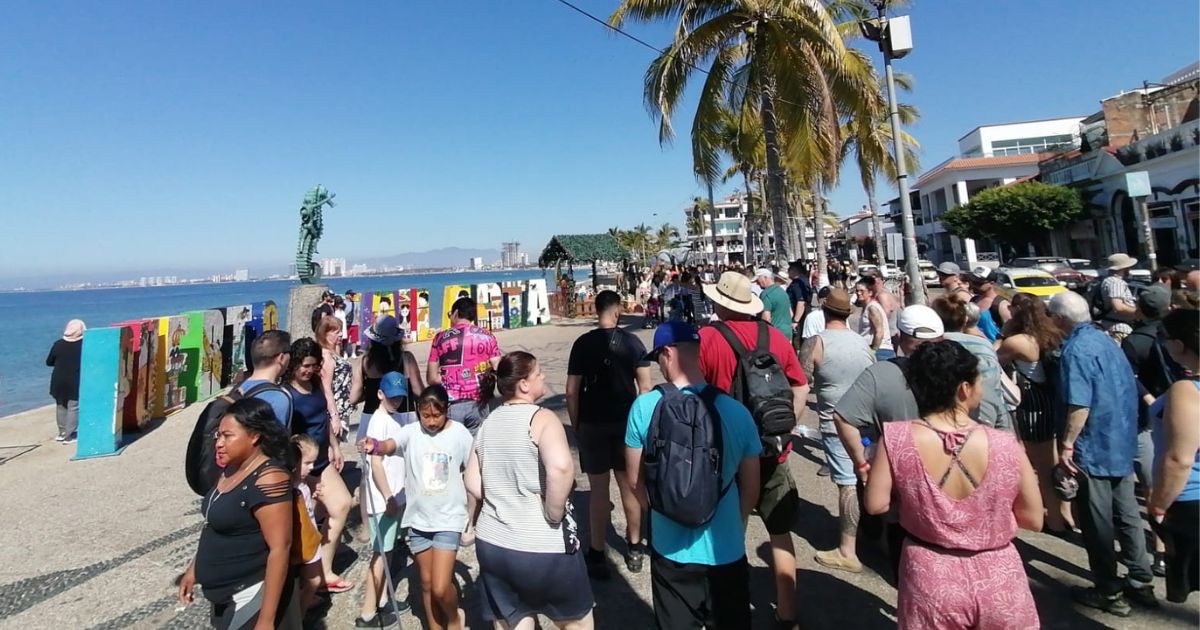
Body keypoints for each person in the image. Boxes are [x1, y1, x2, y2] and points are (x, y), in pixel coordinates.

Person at [864, 341, 1043, 629]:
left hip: (930, 574)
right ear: (963, 389)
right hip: (999, 575)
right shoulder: (1006, 444)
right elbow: (1033, 518)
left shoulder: (896, 439)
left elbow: (876, 504)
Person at [625, 322, 762, 629]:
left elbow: (635, 481)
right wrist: (735, 523)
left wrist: (661, 511)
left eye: (659, 357)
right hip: (724, 548)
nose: (659, 364)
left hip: (669, 548)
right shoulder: (736, 410)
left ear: (669, 353)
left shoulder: (644, 407)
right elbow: (752, 486)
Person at [698, 271, 808, 628]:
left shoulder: (708, 339)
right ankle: (787, 611)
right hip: (773, 449)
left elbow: (698, 394)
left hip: (727, 452)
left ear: (720, 302)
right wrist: (785, 426)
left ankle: (728, 605)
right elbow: (800, 387)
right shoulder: (775, 336)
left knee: (727, 533)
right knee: (779, 532)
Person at [465, 352, 595, 629]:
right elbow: (561, 468)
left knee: (512, 621)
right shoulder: (543, 419)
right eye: (538, 373)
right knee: (576, 623)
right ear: (523, 384)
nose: (544, 377)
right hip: (542, 546)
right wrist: (553, 512)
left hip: (494, 544)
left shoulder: (487, 424)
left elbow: (473, 484)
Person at [1049, 291, 1157, 616]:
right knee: (1127, 517)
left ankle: (1109, 592)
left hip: (1094, 445)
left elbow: (1079, 404)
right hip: (1120, 439)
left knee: (1098, 523)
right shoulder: (1106, 340)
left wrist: (1067, 443)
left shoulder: (1075, 350)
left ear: (1060, 319)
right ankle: (1141, 580)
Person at [178, 398, 301, 630]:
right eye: (218, 436)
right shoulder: (231, 469)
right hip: (224, 595)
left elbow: (280, 549)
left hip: (249, 594)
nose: (219, 443)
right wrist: (193, 570)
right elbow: (213, 525)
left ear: (254, 436)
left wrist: (266, 620)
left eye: (228, 436)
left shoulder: (270, 479)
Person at [362, 384, 474, 630]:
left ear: (447, 410)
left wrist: (474, 514)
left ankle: (454, 619)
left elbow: (474, 471)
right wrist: (376, 446)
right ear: (418, 412)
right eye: (426, 416)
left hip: (448, 519)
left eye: (437, 415)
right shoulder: (411, 432)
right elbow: (390, 445)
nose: (431, 421)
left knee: (441, 585)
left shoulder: (460, 434)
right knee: (425, 582)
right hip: (418, 521)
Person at [566, 290, 653, 578]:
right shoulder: (633, 343)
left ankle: (598, 551)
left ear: (596, 310)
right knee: (630, 486)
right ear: (617, 312)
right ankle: (635, 545)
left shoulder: (582, 344)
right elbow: (646, 389)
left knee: (599, 490)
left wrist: (577, 423)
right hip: (626, 423)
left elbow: (571, 390)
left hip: (592, 423)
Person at [799, 289, 875, 574]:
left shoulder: (816, 342)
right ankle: (872, 535)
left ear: (824, 310)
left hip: (835, 423)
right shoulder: (861, 342)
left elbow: (803, 379)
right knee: (865, 475)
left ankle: (848, 549)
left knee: (846, 484)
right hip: (867, 421)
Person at [996, 293, 1074, 534]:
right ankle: (1066, 514)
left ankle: (1055, 522)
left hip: (1033, 403)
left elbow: (991, 355)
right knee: (1054, 461)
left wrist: (1003, 331)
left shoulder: (1018, 341)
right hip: (1052, 400)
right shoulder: (1052, 334)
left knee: (1042, 465)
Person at [282, 338, 353, 594]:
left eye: (313, 365)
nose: (309, 370)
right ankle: (307, 581)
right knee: (303, 526)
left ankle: (324, 570)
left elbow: (322, 418)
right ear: (293, 365)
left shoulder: (314, 384)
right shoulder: (286, 394)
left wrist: (335, 447)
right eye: (305, 366)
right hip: (305, 468)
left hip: (324, 459)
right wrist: (304, 478)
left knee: (343, 504)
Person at [1121, 284, 1179, 574]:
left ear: (1140, 309)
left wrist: (1148, 398)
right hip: (1184, 414)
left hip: (1148, 421)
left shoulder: (1134, 342)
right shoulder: (1179, 334)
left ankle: (1160, 550)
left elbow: (1127, 378)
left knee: (1154, 484)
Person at [1148, 307, 1200, 604]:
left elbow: (1180, 459)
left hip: (1191, 502)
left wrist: (1158, 505)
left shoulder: (1187, 390)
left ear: (1180, 345)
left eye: (1165, 338)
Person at [355, 371, 413, 628]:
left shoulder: (394, 417)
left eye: (400, 397)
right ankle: (368, 613)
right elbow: (376, 464)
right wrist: (388, 495)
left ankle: (380, 600)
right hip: (384, 500)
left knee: (388, 552)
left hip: (396, 496)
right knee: (380, 555)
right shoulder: (379, 421)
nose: (396, 401)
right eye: (392, 397)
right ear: (380, 394)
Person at [930, 294, 1014, 431]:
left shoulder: (932, 347)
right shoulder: (985, 345)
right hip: (987, 416)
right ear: (965, 320)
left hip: (941, 419)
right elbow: (995, 386)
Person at [428, 297, 501, 436]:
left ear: (455, 313)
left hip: (451, 403)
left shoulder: (440, 338)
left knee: (453, 449)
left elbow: (432, 378)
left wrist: (449, 379)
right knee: (477, 449)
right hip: (479, 402)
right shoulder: (488, 336)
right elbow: (498, 367)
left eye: (450, 315)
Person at [289, 435, 326, 611]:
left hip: (309, 540)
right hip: (305, 544)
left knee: (305, 581)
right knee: (314, 580)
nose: (312, 467)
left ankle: (301, 605)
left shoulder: (301, 485)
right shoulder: (292, 490)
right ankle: (300, 615)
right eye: (307, 463)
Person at [239, 330, 294, 427]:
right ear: (281, 358)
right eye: (289, 352)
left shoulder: (238, 389)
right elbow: (276, 440)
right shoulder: (278, 398)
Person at [46, 319, 85, 444]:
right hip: (74, 378)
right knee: (73, 406)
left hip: (58, 379)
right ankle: (70, 435)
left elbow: (49, 362)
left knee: (60, 405)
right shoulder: (84, 344)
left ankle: (62, 433)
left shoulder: (58, 344)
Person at [855, 278, 894, 360]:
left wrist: (872, 352)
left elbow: (879, 332)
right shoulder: (867, 307)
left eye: (862, 291)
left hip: (880, 351)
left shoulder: (872, 308)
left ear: (870, 292)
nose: (858, 293)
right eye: (857, 290)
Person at [966, 267, 1010, 342]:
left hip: (993, 349)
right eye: (972, 282)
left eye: (978, 283)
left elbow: (1010, 332)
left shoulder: (1001, 304)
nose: (974, 285)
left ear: (991, 283)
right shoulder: (973, 300)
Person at [1097, 253, 1140, 328]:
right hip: (1119, 326)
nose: (1130, 269)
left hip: (1114, 323)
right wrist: (1139, 312)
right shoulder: (1116, 282)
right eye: (1129, 267)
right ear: (1124, 268)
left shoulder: (1108, 280)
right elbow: (1118, 307)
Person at [755, 268, 794, 342]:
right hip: (787, 333)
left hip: (775, 335)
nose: (757, 283)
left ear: (765, 277)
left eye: (758, 280)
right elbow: (791, 314)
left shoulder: (766, 294)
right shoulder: (783, 292)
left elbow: (766, 319)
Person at [786, 261, 813, 344]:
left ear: (794, 270)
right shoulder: (803, 280)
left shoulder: (798, 283)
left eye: (789, 270)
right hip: (803, 314)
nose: (788, 272)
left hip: (800, 317)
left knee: (797, 342)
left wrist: (796, 321)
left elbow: (801, 302)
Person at [344, 290, 360, 357]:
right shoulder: (343, 303)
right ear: (347, 295)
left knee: (354, 339)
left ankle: (353, 352)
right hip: (345, 325)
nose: (352, 296)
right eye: (351, 294)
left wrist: (358, 322)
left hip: (354, 324)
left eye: (353, 295)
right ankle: (345, 353)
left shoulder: (355, 304)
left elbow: (357, 314)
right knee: (345, 339)